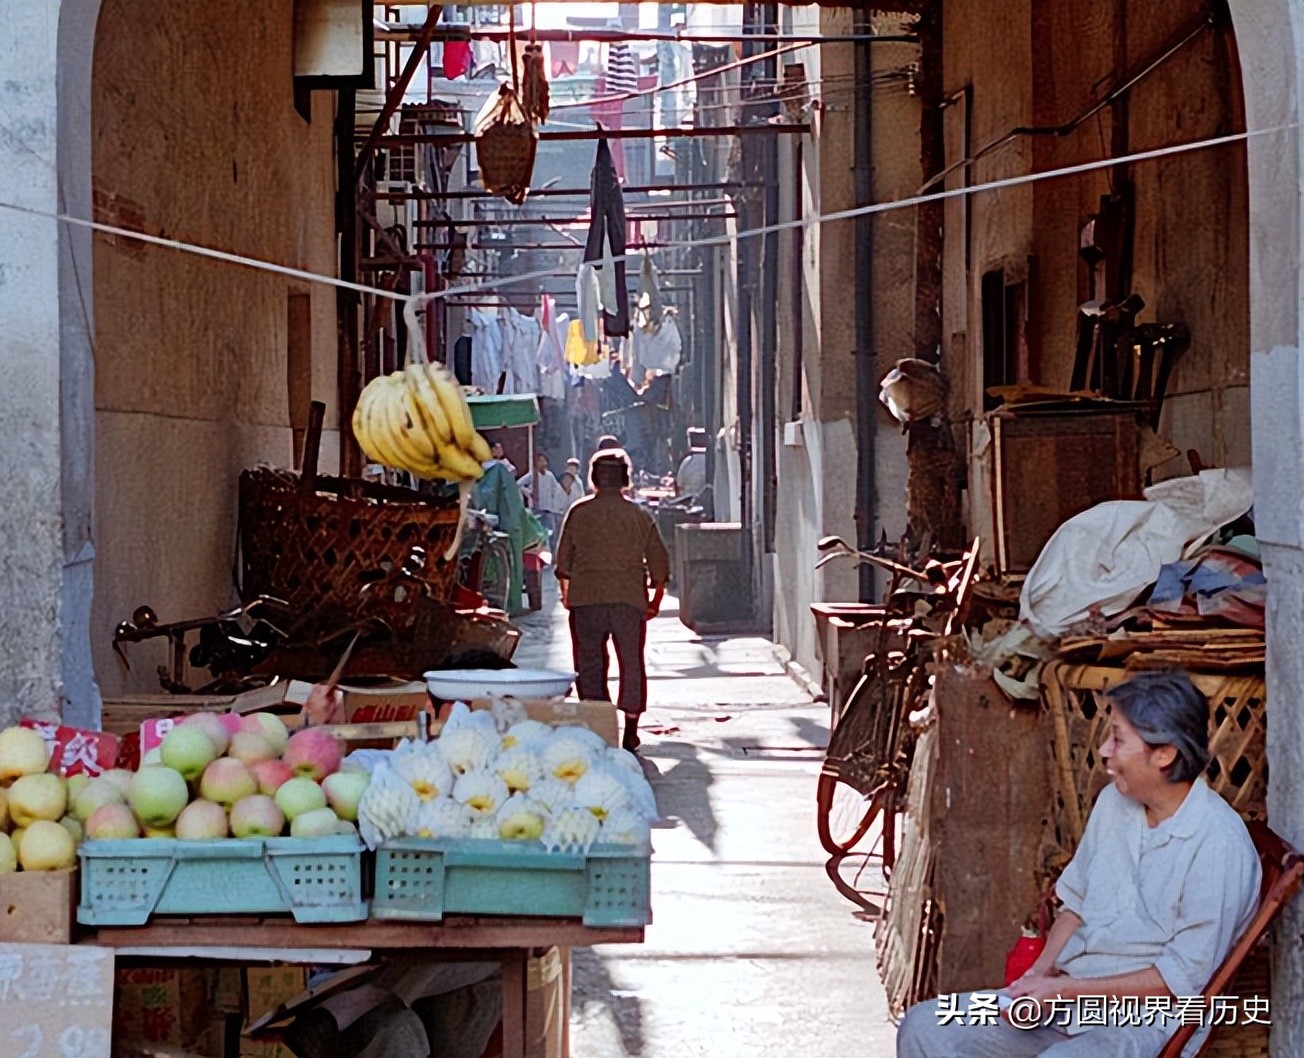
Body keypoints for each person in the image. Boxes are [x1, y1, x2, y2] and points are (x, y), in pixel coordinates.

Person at [896, 669, 1260, 1058]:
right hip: (1069, 997)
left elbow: (1180, 981)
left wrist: (1063, 989)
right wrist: (1039, 975)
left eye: (1118, 738)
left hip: (1148, 1021)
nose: (1104, 750)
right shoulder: (1114, 804)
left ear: (1164, 754)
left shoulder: (1218, 842)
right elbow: (1076, 905)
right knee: (926, 1027)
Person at [554, 450, 670, 752]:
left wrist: (568, 596)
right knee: (631, 661)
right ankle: (631, 727)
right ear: (624, 479)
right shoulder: (639, 514)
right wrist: (655, 600)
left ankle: (598, 725)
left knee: (590, 663)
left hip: (587, 598)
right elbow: (660, 566)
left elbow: (562, 564)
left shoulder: (578, 513)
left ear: (593, 479)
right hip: (629, 600)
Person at [517, 453, 567, 549]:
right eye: (540, 461)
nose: (542, 463)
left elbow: (555, 489)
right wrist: (529, 492)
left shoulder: (550, 475)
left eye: (544, 461)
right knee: (539, 534)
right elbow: (518, 484)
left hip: (549, 509)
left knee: (552, 534)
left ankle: (553, 557)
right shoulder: (533, 474)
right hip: (537, 509)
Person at [674, 427, 708, 499]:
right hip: (707, 501)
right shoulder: (710, 463)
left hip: (688, 501)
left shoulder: (687, 462)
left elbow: (679, 483)